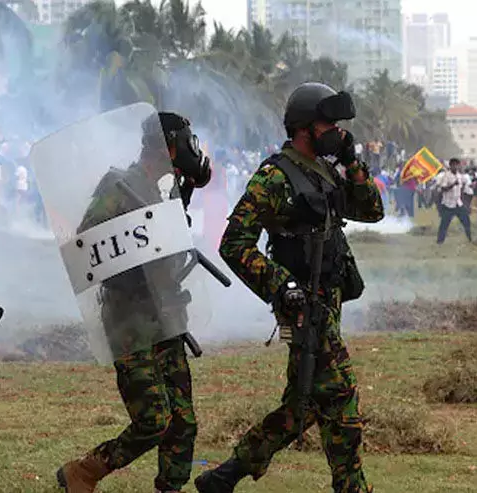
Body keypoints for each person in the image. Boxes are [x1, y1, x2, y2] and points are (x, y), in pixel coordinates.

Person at [195, 82, 383, 493]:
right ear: (304, 128)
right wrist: (281, 286)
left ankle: (223, 477)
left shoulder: (329, 171)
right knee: (341, 394)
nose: (336, 130)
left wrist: (353, 163)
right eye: (327, 123)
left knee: (301, 407)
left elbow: (373, 210)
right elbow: (234, 243)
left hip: (330, 299)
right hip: (303, 304)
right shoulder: (275, 177)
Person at [56, 112, 211, 493]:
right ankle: (85, 471)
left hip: (167, 314)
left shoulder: (164, 190)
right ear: (168, 146)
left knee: (183, 420)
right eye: (184, 144)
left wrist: (185, 191)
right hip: (130, 321)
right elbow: (86, 244)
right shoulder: (120, 186)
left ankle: (170, 488)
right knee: (154, 419)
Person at [434, 158, 472, 244]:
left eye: (457, 165)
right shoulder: (446, 176)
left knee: (466, 221)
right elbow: (443, 188)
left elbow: (461, 188)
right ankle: (439, 242)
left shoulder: (459, 175)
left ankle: (470, 238)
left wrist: (464, 202)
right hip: (448, 204)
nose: (455, 167)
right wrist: (452, 185)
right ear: (450, 166)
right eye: (453, 165)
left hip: (458, 203)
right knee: (444, 224)